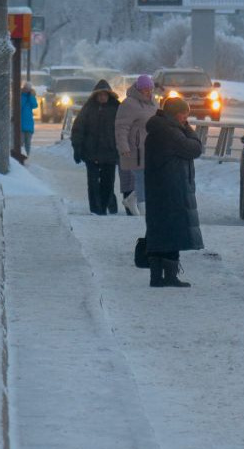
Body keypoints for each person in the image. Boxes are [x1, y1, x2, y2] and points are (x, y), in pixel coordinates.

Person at [143, 97, 203, 288]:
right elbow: (194, 148)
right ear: (177, 114)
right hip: (172, 187)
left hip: (159, 186)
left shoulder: (158, 129)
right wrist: (188, 129)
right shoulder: (170, 132)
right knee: (173, 230)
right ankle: (169, 276)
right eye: (185, 114)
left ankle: (156, 277)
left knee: (159, 230)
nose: (186, 118)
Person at [70, 79, 121, 215]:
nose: (102, 97)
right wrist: (77, 148)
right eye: (100, 95)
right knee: (92, 184)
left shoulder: (116, 109)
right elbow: (78, 129)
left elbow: (123, 130)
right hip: (91, 152)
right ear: (95, 96)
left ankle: (105, 205)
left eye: (105, 95)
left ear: (109, 95)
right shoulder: (88, 109)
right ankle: (95, 210)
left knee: (108, 183)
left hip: (110, 153)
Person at [115, 74, 158, 216]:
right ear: (138, 89)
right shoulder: (128, 104)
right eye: (145, 89)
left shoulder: (153, 103)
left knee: (149, 178)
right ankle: (144, 210)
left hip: (151, 148)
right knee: (141, 178)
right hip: (135, 149)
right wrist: (123, 147)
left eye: (150, 89)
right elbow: (121, 127)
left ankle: (131, 200)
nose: (148, 92)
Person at [19, 81, 38, 157]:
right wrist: (24, 95)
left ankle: (27, 155)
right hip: (21, 123)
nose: (26, 90)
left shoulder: (31, 97)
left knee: (28, 143)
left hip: (29, 124)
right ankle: (21, 155)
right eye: (25, 88)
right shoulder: (21, 96)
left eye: (28, 88)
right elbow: (20, 105)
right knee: (21, 142)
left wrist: (30, 96)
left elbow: (34, 105)